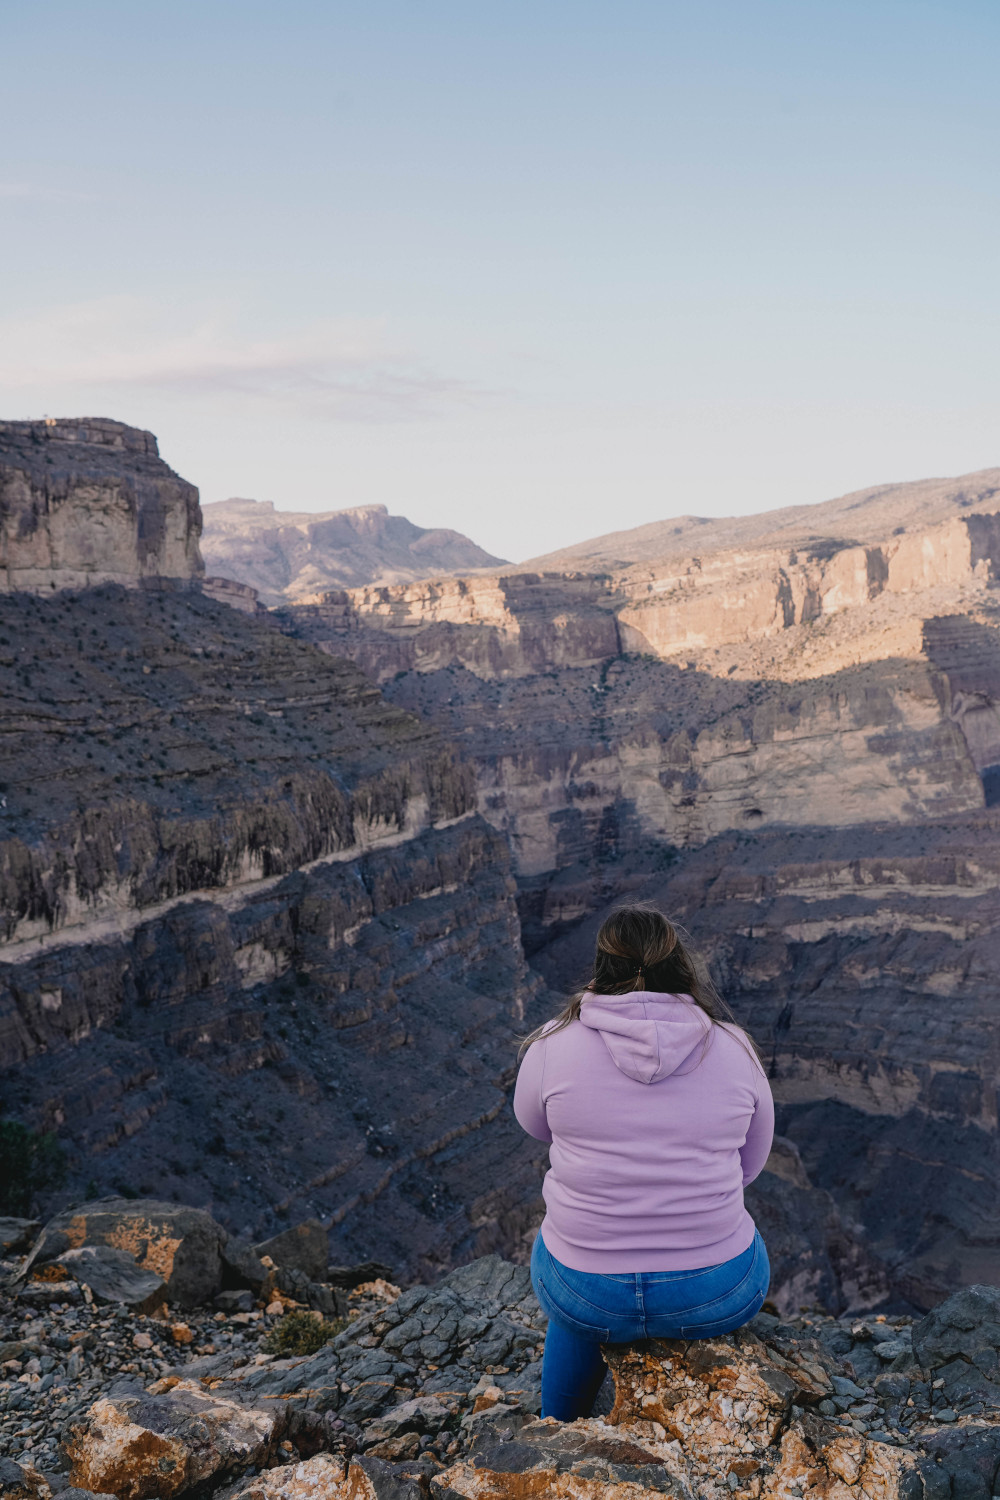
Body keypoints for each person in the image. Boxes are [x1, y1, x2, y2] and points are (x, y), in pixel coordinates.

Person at [514, 905, 773, 1421]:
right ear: (678, 964)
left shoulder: (550, 1044)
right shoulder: (734, 1047)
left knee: (572, 1288)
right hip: (715, 1292)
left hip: (585, 1292)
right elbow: (751, 1164)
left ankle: (557, 1427)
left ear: (601, 966)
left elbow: (534, 1126)